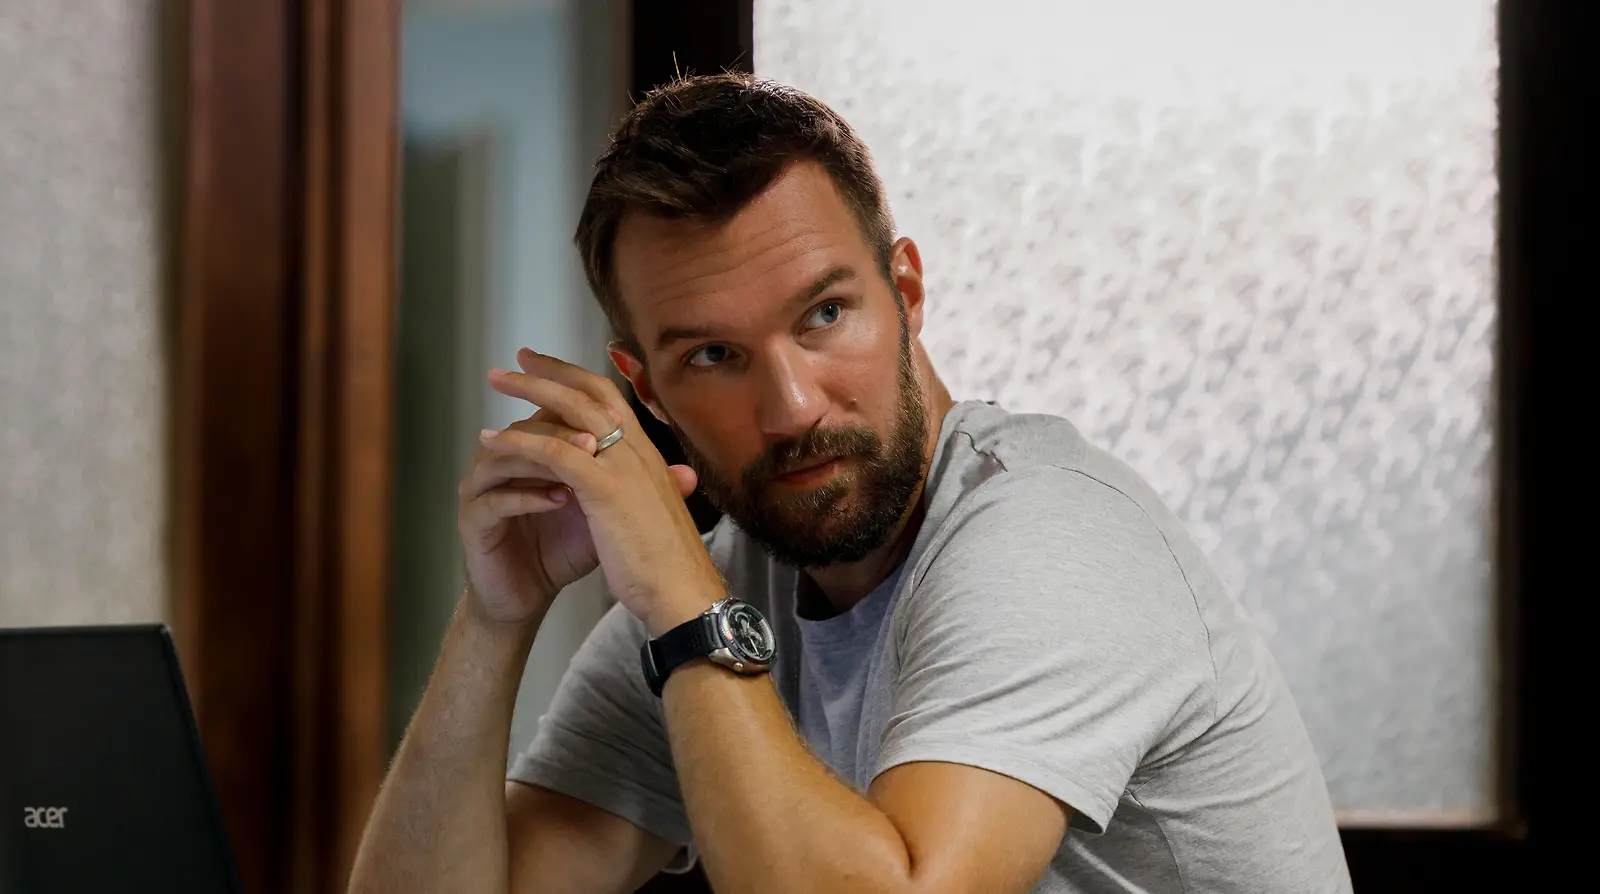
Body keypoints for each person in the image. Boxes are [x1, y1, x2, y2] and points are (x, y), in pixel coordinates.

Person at [349, 74, 1352, 894]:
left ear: (904, 293)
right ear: (646, 389)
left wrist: (679, 595)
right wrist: (495, 617)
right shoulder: (722, 588)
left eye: (824, 315)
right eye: (713, 356)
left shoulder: (1051, 536)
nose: (791, 407)